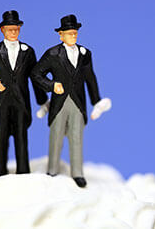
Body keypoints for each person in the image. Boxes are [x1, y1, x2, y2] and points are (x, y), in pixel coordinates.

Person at [32, 14, 111, 188]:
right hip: (59, 102)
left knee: (77, 138)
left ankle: (78, 173)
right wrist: (51, 86)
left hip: (78, 102)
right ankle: (52, 170)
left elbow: (90, 78)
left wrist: (96, 100)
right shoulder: (53, 53)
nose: (73, 36)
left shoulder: (85, 54)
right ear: (61, 35)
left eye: (75, 33)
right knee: (56, 136)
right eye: (69, 33)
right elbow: (36, 74)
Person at [0, 10, 48, 179]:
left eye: (16, 29)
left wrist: (42, 100)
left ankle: (23, 169)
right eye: (9, 29)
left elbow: (34, 77)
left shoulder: (28, 52)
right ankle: (0, 169)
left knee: (21, 137)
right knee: (2, 136)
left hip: (21, 101)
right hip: (2, 102)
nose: (13, 32)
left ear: (19, 29)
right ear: (2, 30)